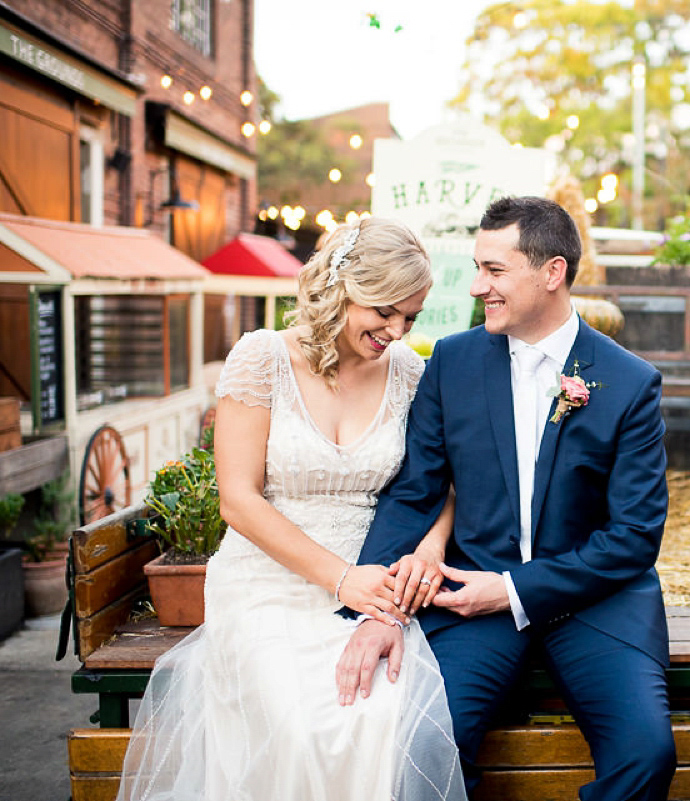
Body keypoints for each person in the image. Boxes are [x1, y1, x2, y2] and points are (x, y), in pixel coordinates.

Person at [337, 196, 677, 801]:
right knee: (425, 743)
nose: (477, 286)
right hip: (471, 595)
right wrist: (375, 607)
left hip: (595, 602)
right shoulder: (451, 362)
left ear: (552, 272)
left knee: (646, 753)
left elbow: (633, 538)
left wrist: (516, 590)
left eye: (495, 271)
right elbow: (416, 491)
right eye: (477, 268)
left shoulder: (629, 383)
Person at [117, 218, 467, 801]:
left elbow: (443, 486)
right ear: (343, 287)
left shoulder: (410, 376)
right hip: (266, 583)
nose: (397, 331)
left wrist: (428, 549)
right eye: (385, 312)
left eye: (411, 317)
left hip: (373, 583)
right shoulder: (262, 359)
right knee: (304, 728)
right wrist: (340, 579)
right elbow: (238, 499)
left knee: (378, 722)